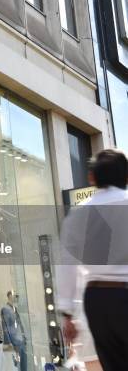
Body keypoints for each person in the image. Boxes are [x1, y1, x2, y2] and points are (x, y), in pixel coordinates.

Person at [57, 149, 128, 371]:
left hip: (98, 301)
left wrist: (68, 313)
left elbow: (68, 265)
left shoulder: (78, 215)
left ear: (92, 178)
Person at [1, 291, 26, 371]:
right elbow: (5, 326)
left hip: (20, 340)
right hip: (14, 341)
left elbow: (19, 324)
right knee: (16, 365)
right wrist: (8, 342)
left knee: (23, 364)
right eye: (14, 295)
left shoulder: (15, 309)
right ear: (9, 296)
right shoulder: (5, 309)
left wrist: (24, 336)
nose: (16, 297)